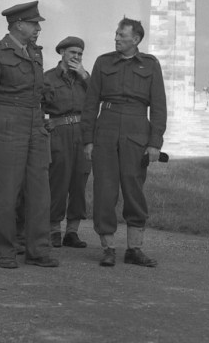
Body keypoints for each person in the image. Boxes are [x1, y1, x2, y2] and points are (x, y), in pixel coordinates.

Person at [0, 1, 57, 269]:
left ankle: (38, 249)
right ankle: (6, 249)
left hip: (34, 124)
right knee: (7, 194)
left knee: (40, 192)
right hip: (7, 123)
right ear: (18, 24)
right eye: (34, 23)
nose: (38, 28)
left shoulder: (35, 53)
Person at [82, 17, 167, 268]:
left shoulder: (151, 65)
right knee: (104, 190)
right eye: (116, 34)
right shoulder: (103, 62)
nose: (116, 38)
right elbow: (90, 104)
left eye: (122, 35)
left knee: (134, 190)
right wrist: (88, 139)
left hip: (137, 131)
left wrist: (155, 143)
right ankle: (108, 248)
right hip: (106, 129)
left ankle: (135, 248)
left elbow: (159, 107)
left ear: (136, 39)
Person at [44, 36, 91, 248]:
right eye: (72, 52)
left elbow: (98, 98)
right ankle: (54, 229)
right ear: (62, 52)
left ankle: (72, 231)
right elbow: (37, 106)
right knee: (58, 182)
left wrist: (85, 75)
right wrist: (46, 125)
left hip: (82, 135)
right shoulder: (48, 78)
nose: (76, 57)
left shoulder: (86, 79)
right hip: (59, 134)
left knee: (79, 182)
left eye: (80, 54)